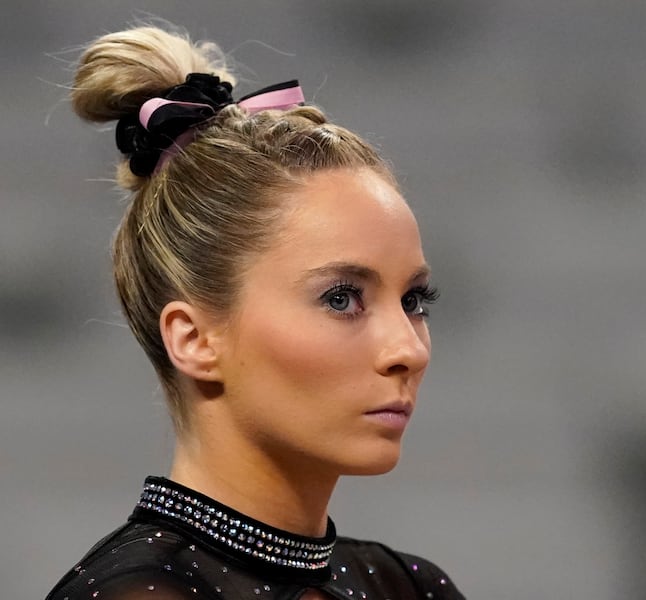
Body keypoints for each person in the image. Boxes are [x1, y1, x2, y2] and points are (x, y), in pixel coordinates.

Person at [46, 25, 465, 600]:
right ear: (194, 340)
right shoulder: (139, 594)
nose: (409, 350)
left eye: (413, 300)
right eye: (341, 298)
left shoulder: (409, 587)